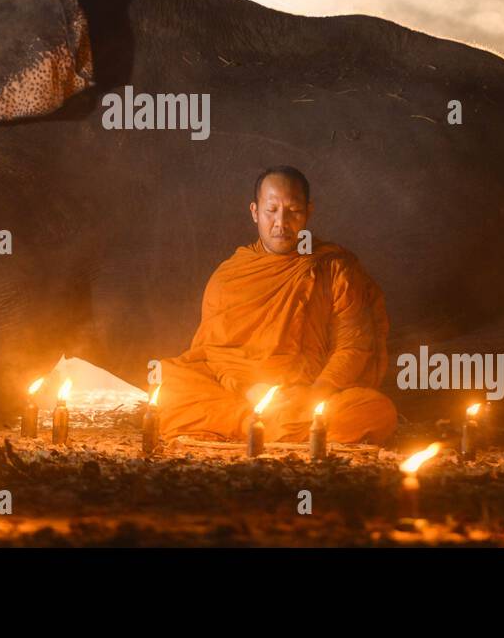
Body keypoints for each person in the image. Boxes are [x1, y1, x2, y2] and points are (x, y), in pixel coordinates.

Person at [158, 165, 396, 444]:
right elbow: (215, 352)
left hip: (306, 393)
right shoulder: (230, 275)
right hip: (242, 392)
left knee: (374, 410)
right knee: (169, 386)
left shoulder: (335, 268)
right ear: (254, 212)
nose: (281, 223)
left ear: (308, 211)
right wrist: (249, 390)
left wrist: (316, 392)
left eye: (293, 211)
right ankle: (270, 426)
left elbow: (354, 346)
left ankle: (253, 427)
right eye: (271, 210)